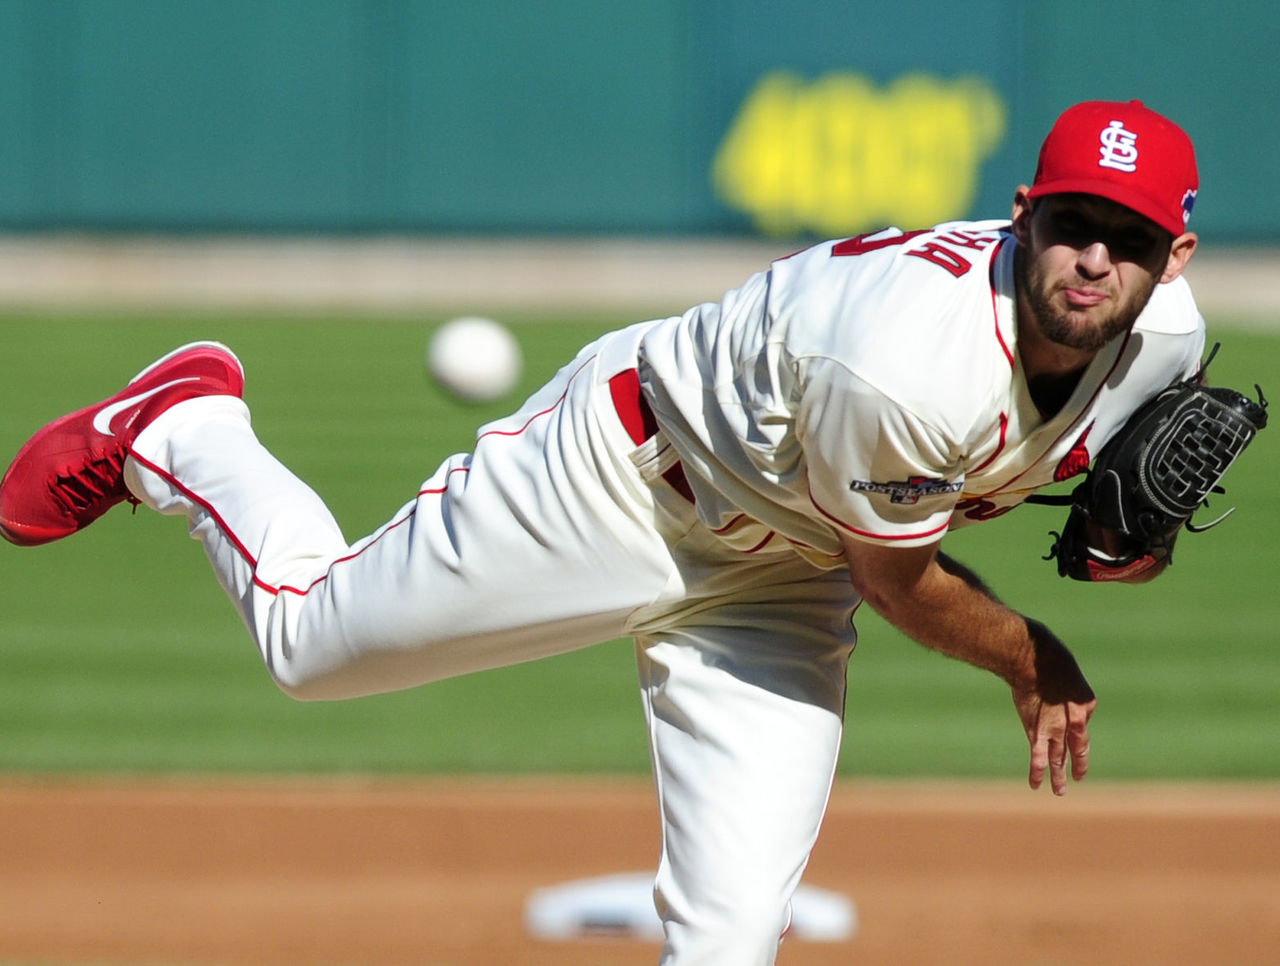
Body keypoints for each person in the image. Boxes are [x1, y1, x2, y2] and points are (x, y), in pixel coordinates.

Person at [0, 99, 1203, 964]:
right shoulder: (905, 364)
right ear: (1021, 213)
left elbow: (1100, 515)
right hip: (619, 480)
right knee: (310, 648)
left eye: (1130, 238)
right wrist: (1031, 653)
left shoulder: (1165, 343)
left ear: (1174, 256)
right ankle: (187, 425)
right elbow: (896, 584)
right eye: (1071, 223)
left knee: (731, 933)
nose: (1093, 259)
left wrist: (1121, 549)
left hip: (777, 578)